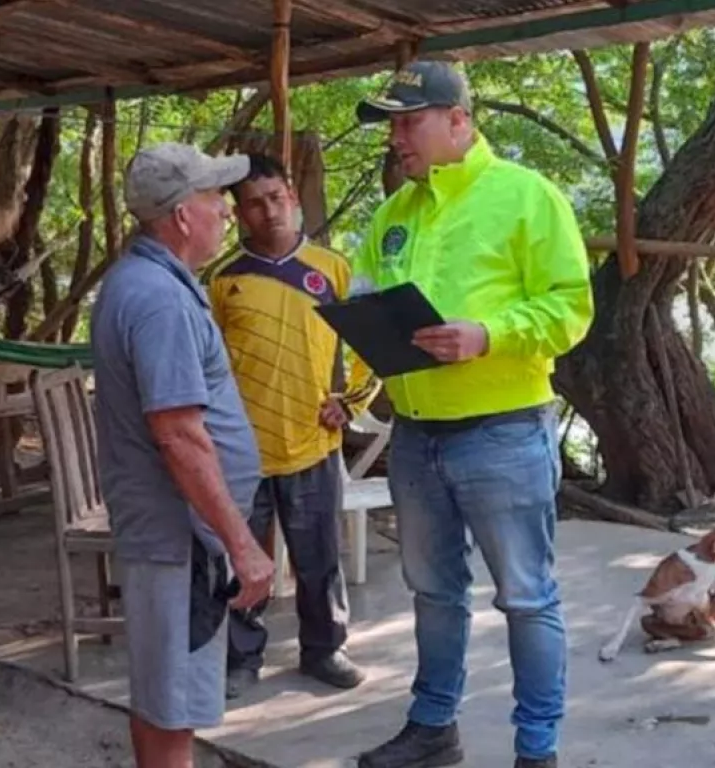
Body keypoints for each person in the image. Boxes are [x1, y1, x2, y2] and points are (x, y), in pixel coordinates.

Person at [348, 60, 594, 768]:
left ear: (459, 120)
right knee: (431, 591)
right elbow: (368, 297)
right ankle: (433, 729)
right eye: (391, 125)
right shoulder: (395, 214)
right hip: (416, 435)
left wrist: (488, 336)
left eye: (408, 121)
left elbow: (571, 308)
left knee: (525, 597)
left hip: (503, 431)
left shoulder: (526, 197)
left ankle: (536, 751)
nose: (397, 138)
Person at [89, 143, 275, 768]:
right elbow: (179, 435)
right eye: (213, 198)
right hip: (180, 539)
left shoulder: (153, 282)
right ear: (181, 217)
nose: (227, 209)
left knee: (163, 695)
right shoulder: (160, 299)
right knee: (174, 708)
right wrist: (242, 544)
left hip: (174, 536)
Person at [203, 153, 380, 698]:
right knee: (242, 562)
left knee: (319, 558)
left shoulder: (334, 270)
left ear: (294, 201)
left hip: (312, 443)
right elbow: (204, 366)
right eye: (254, 203)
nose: (269, 211)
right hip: (241, 451)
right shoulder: (222, 280)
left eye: (276, 198)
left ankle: (325, 649)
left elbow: (370, 346)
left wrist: (349, 404)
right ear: (240, 213)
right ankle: (240, 657)